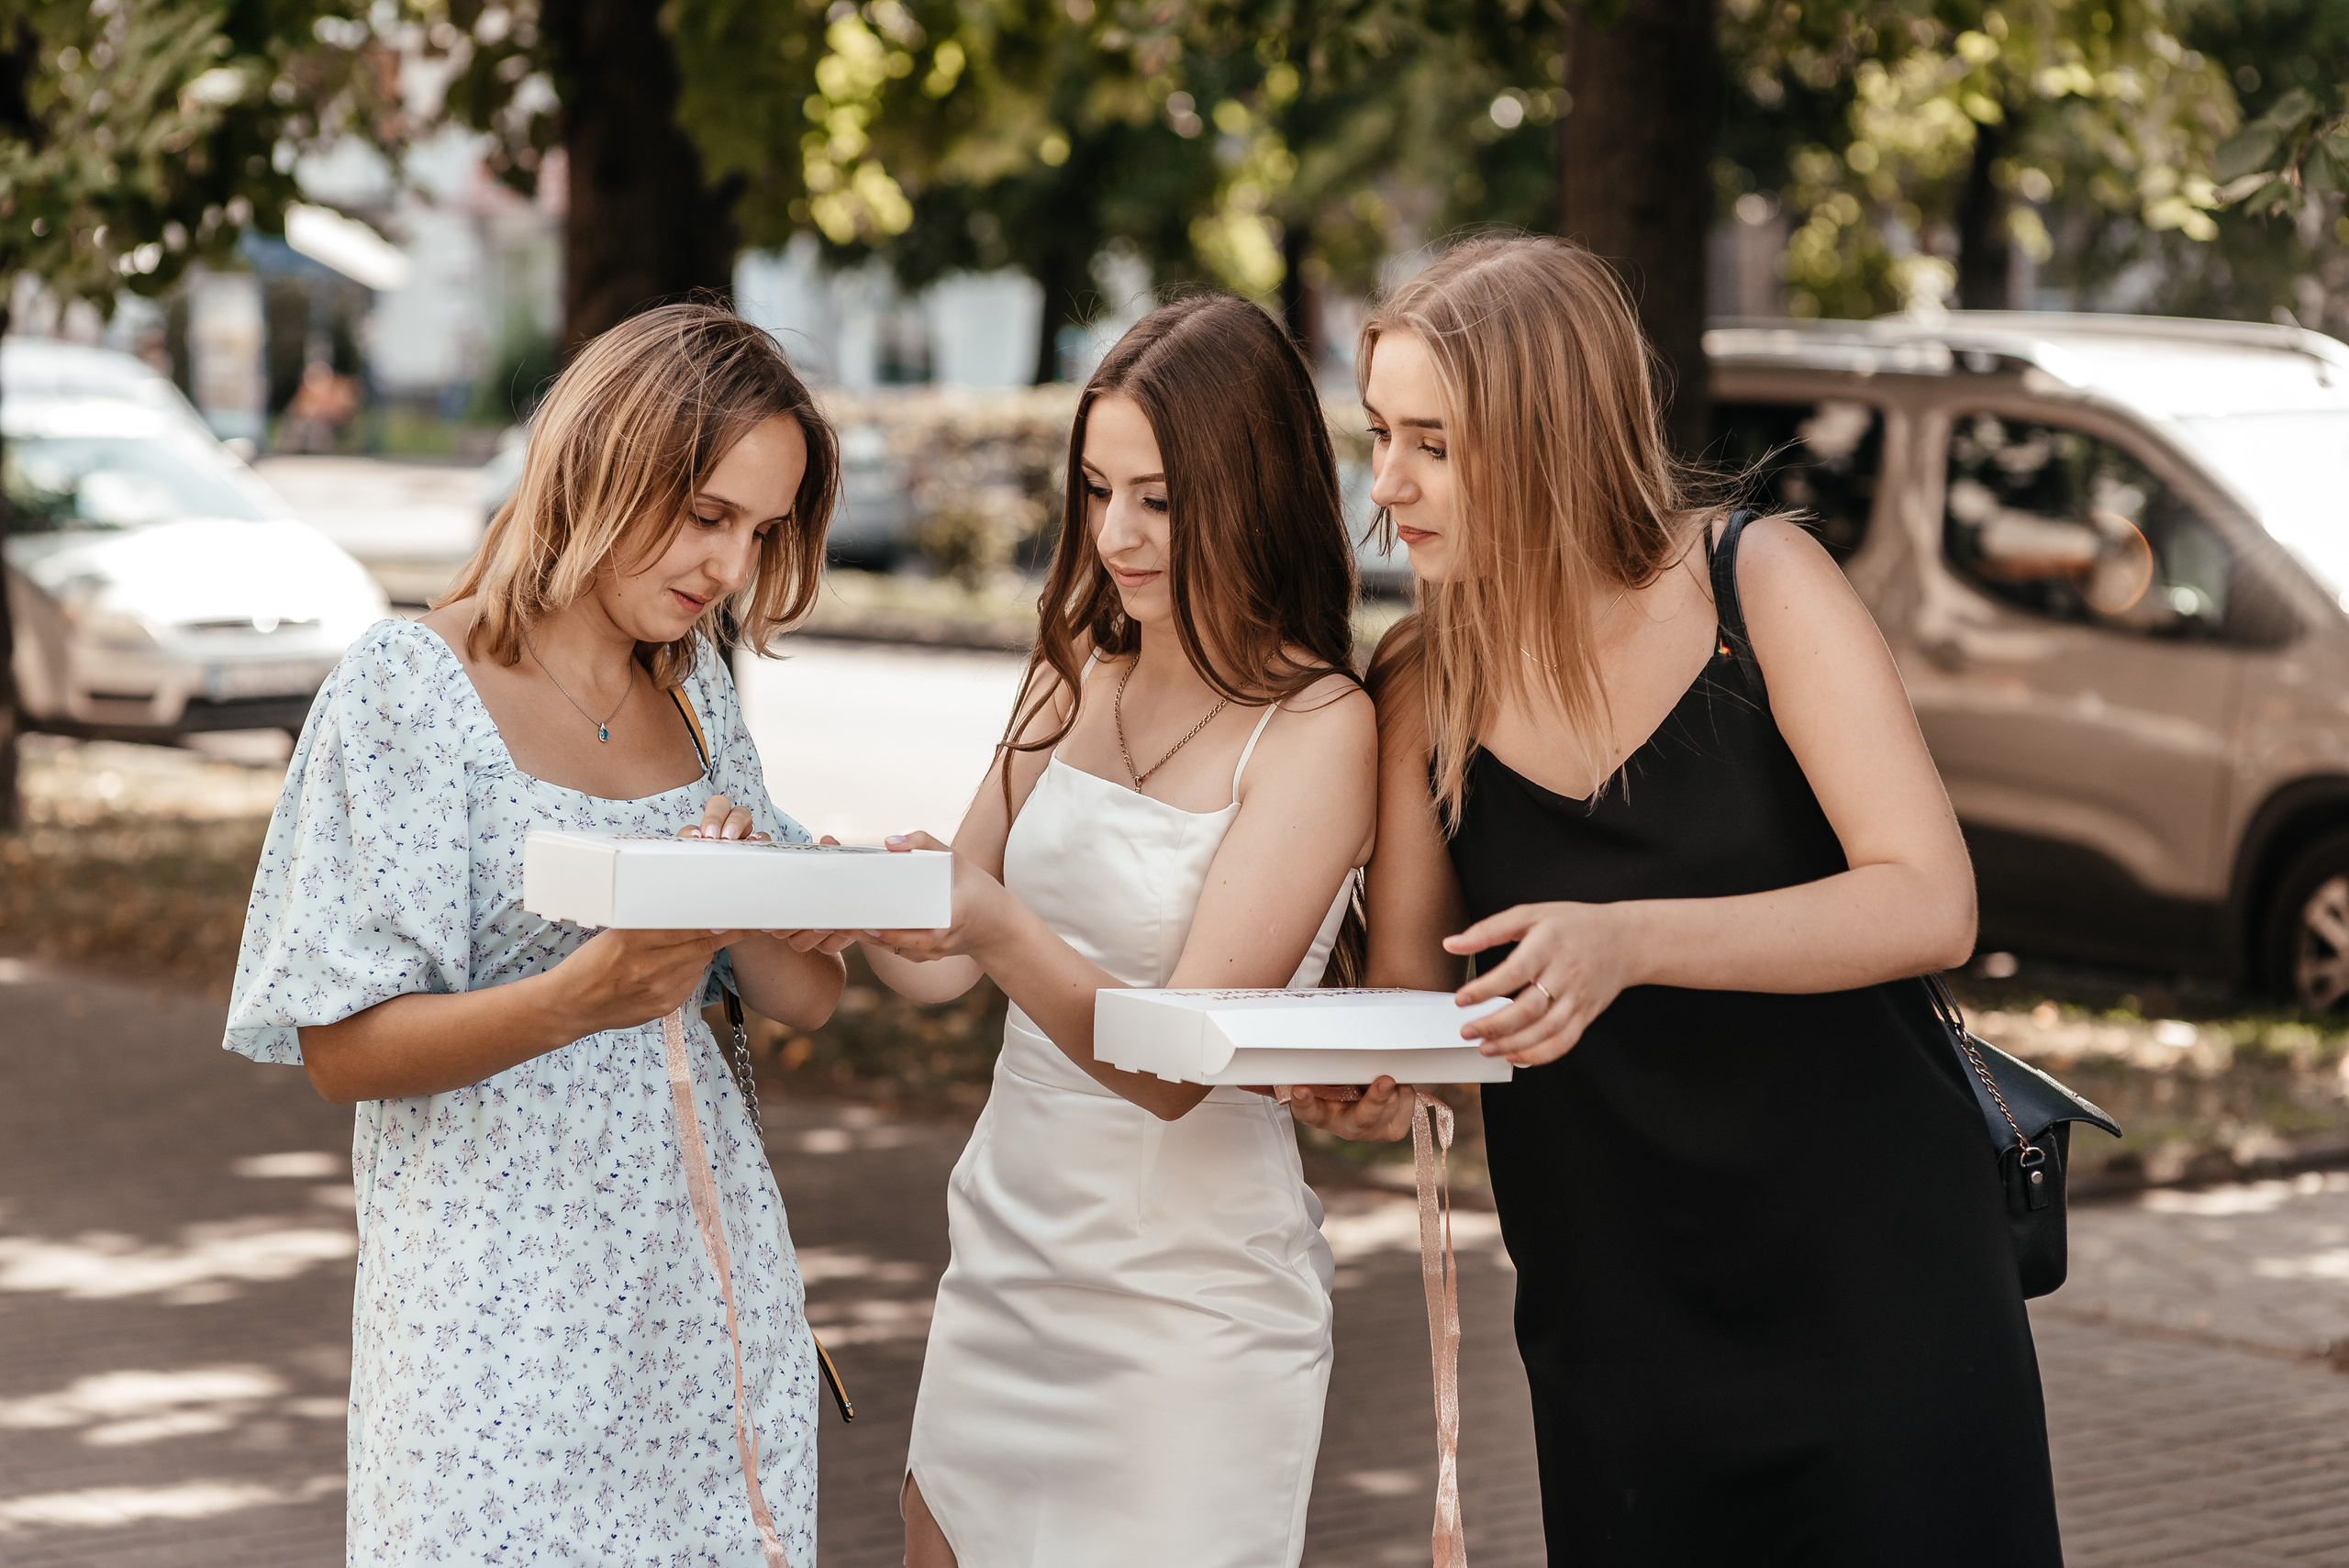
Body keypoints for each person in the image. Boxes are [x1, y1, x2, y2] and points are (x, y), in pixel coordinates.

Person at [1295, 235, 2065, 1564]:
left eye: (1433, 441)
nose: (1389, 485)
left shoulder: (1757, 584)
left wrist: (1628, 943)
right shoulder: (1422, 674)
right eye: (1378, 433)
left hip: (1877, 1278)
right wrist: (1374, 1074)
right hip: (1615, 1309)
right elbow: (1420, 998)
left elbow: (1931, 900)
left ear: (1543, 437)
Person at [222, 303, 847, 1567]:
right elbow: (340, 1044)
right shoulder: (407, 690)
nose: (729, 568)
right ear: (602, 465)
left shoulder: (696, 687)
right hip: (490, 1337)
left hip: (701, 1311)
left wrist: (816, 900)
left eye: (761, 531)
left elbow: (799, 999)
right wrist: (582, 994)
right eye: (708, 515)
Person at [848, 293, 1376, 1568]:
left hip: (1186, 1312)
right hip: (1007, 1258)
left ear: (1250, 492)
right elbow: (931, 972)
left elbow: (1171, 1065)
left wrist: (986, 916)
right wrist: (850, 898)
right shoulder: (1074, 666)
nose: (1116, 534)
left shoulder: (1318, 727)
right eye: (1096, 490)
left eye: (1158, 497)